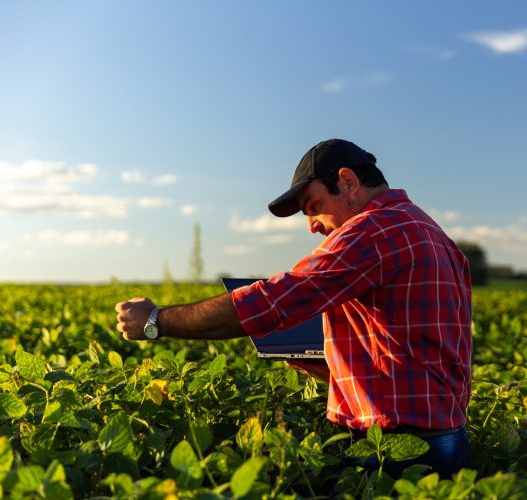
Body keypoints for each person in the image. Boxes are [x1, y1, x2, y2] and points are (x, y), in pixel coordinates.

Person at [115, 139, 473, 477]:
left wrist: (156, 320)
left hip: (394, 447)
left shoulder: (375, 230)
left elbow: (274, 302)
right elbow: (412, 355)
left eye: (313, 206)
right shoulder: (430, 231)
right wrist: (328, 362)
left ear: (347, 182)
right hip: (445, 437)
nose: (312, 225)